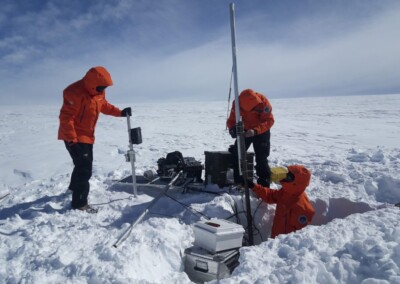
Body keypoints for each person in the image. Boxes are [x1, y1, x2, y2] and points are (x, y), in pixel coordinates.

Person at [58, 66, 131, 213]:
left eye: (105, 87)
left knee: (81, 165)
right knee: (84, 169)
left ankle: (73, 188)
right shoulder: (73, 92)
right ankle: (79, 203)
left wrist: (120, 113)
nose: (103, 89)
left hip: (88, 136)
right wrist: (72, 139)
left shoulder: (98, 92)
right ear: (92, 83)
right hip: (74, 136)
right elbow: (66, 117)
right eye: (101, 86)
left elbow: (104, 106)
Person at [246, 165, 315, 238]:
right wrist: (254, 186)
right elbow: (270, 195)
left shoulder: (302, 208)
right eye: (286, 174)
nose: (284, 177)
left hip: (285, 246)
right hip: (274, 241)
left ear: (296, 183)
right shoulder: (286, 192)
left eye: (288, 177)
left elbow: (300, 237)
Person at [227, 89, 274, 187]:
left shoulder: (263, 102)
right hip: (245, 130)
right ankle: (239, 181)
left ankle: (264, 184)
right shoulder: (237, 103)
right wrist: (232, 129)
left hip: (261, 130)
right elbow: (231, 119)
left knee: (261, 157)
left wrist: (255, 131)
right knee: (237, 153)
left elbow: (269, 120)